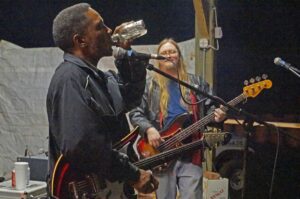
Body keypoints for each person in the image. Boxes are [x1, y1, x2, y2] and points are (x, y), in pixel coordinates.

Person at [46, 3, 158, 198]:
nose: (109, 30)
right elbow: (83, 146)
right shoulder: (70, 79)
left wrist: (127, 56)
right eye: (100, 26)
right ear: (80, 40)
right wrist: (132, 174)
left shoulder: (101, 78)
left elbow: (130, 99)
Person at [129, 38, 226, 199]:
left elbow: (211, 108)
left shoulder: (195, 83)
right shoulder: (150, 85)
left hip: (190, 151)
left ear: (179, 56)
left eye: (172, 51)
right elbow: (135, 112)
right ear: (158, 58)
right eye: (164, 53)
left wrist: (219, 116)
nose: (169, 55)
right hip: (161, 153)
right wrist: (150, 129)